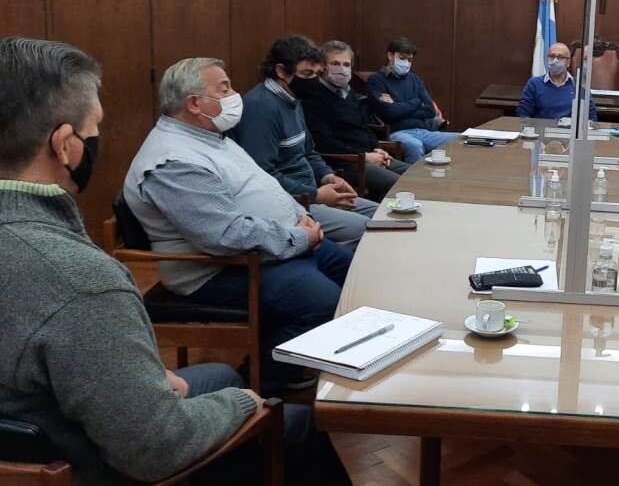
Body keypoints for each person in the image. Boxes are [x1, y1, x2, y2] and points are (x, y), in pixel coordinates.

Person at [0, 38, 347, 485]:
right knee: (295, 427)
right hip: (95, 464)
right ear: (66, 146)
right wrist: (247, 403)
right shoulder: (82, 281)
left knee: (220, 373)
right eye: (95, 129)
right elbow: (154, 448)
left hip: (50, 417)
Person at [125, 57, 353, 394]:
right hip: (217, 269)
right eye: (225, 88)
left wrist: (299, 218)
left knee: (354, 272)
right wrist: (297, 237)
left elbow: (262, 185)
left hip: (271, 248)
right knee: (322, 301)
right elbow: (224, 235)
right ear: (194, 103)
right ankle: (261, 385)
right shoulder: (173, 161)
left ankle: (315, 358)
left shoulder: (211, 136)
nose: (236, 96)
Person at [232, 35, 375, 250]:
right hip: (292, 203)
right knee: (373, 231)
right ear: (281, 71)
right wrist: (317, 195)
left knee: (383, 214)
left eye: (317, 74)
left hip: (314, 190)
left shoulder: (294, 97)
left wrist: (328, 176)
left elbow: (308, 152)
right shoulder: (261, 109)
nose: (313, 81)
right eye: (306, 74)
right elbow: (263, 175)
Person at [299, 40, 409, 202]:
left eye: (346, 64)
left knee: (416, 175)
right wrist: (364, 156)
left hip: (368, 156)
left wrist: (377, 148)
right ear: (322, 66)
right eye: (335, 63)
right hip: (345, 163)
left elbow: (362, 126)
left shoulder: (348, 92)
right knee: (399, 186)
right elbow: (323, 142)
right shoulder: (313, 96)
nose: (342, 69)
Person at [367, 37, 459, 164]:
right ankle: (413, 183)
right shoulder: (376, 80)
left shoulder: (415, 79)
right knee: (414, 145)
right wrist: (416, 102)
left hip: (423, 131)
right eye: (402, 58)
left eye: (409, 60)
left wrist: (400, 107)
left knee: (460, 139)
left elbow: (429, 110)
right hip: (397, 132)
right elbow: (389, 112)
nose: (406, 63)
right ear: (390, 55)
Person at [516, 41, 598, 121]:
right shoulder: (534, 84)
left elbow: (591, 116)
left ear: (568, 62)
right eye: (552, 56)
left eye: (560, 57)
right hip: (541, 132)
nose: (555, 60)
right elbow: (523, 114)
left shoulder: (579, 85)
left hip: (569, 133)